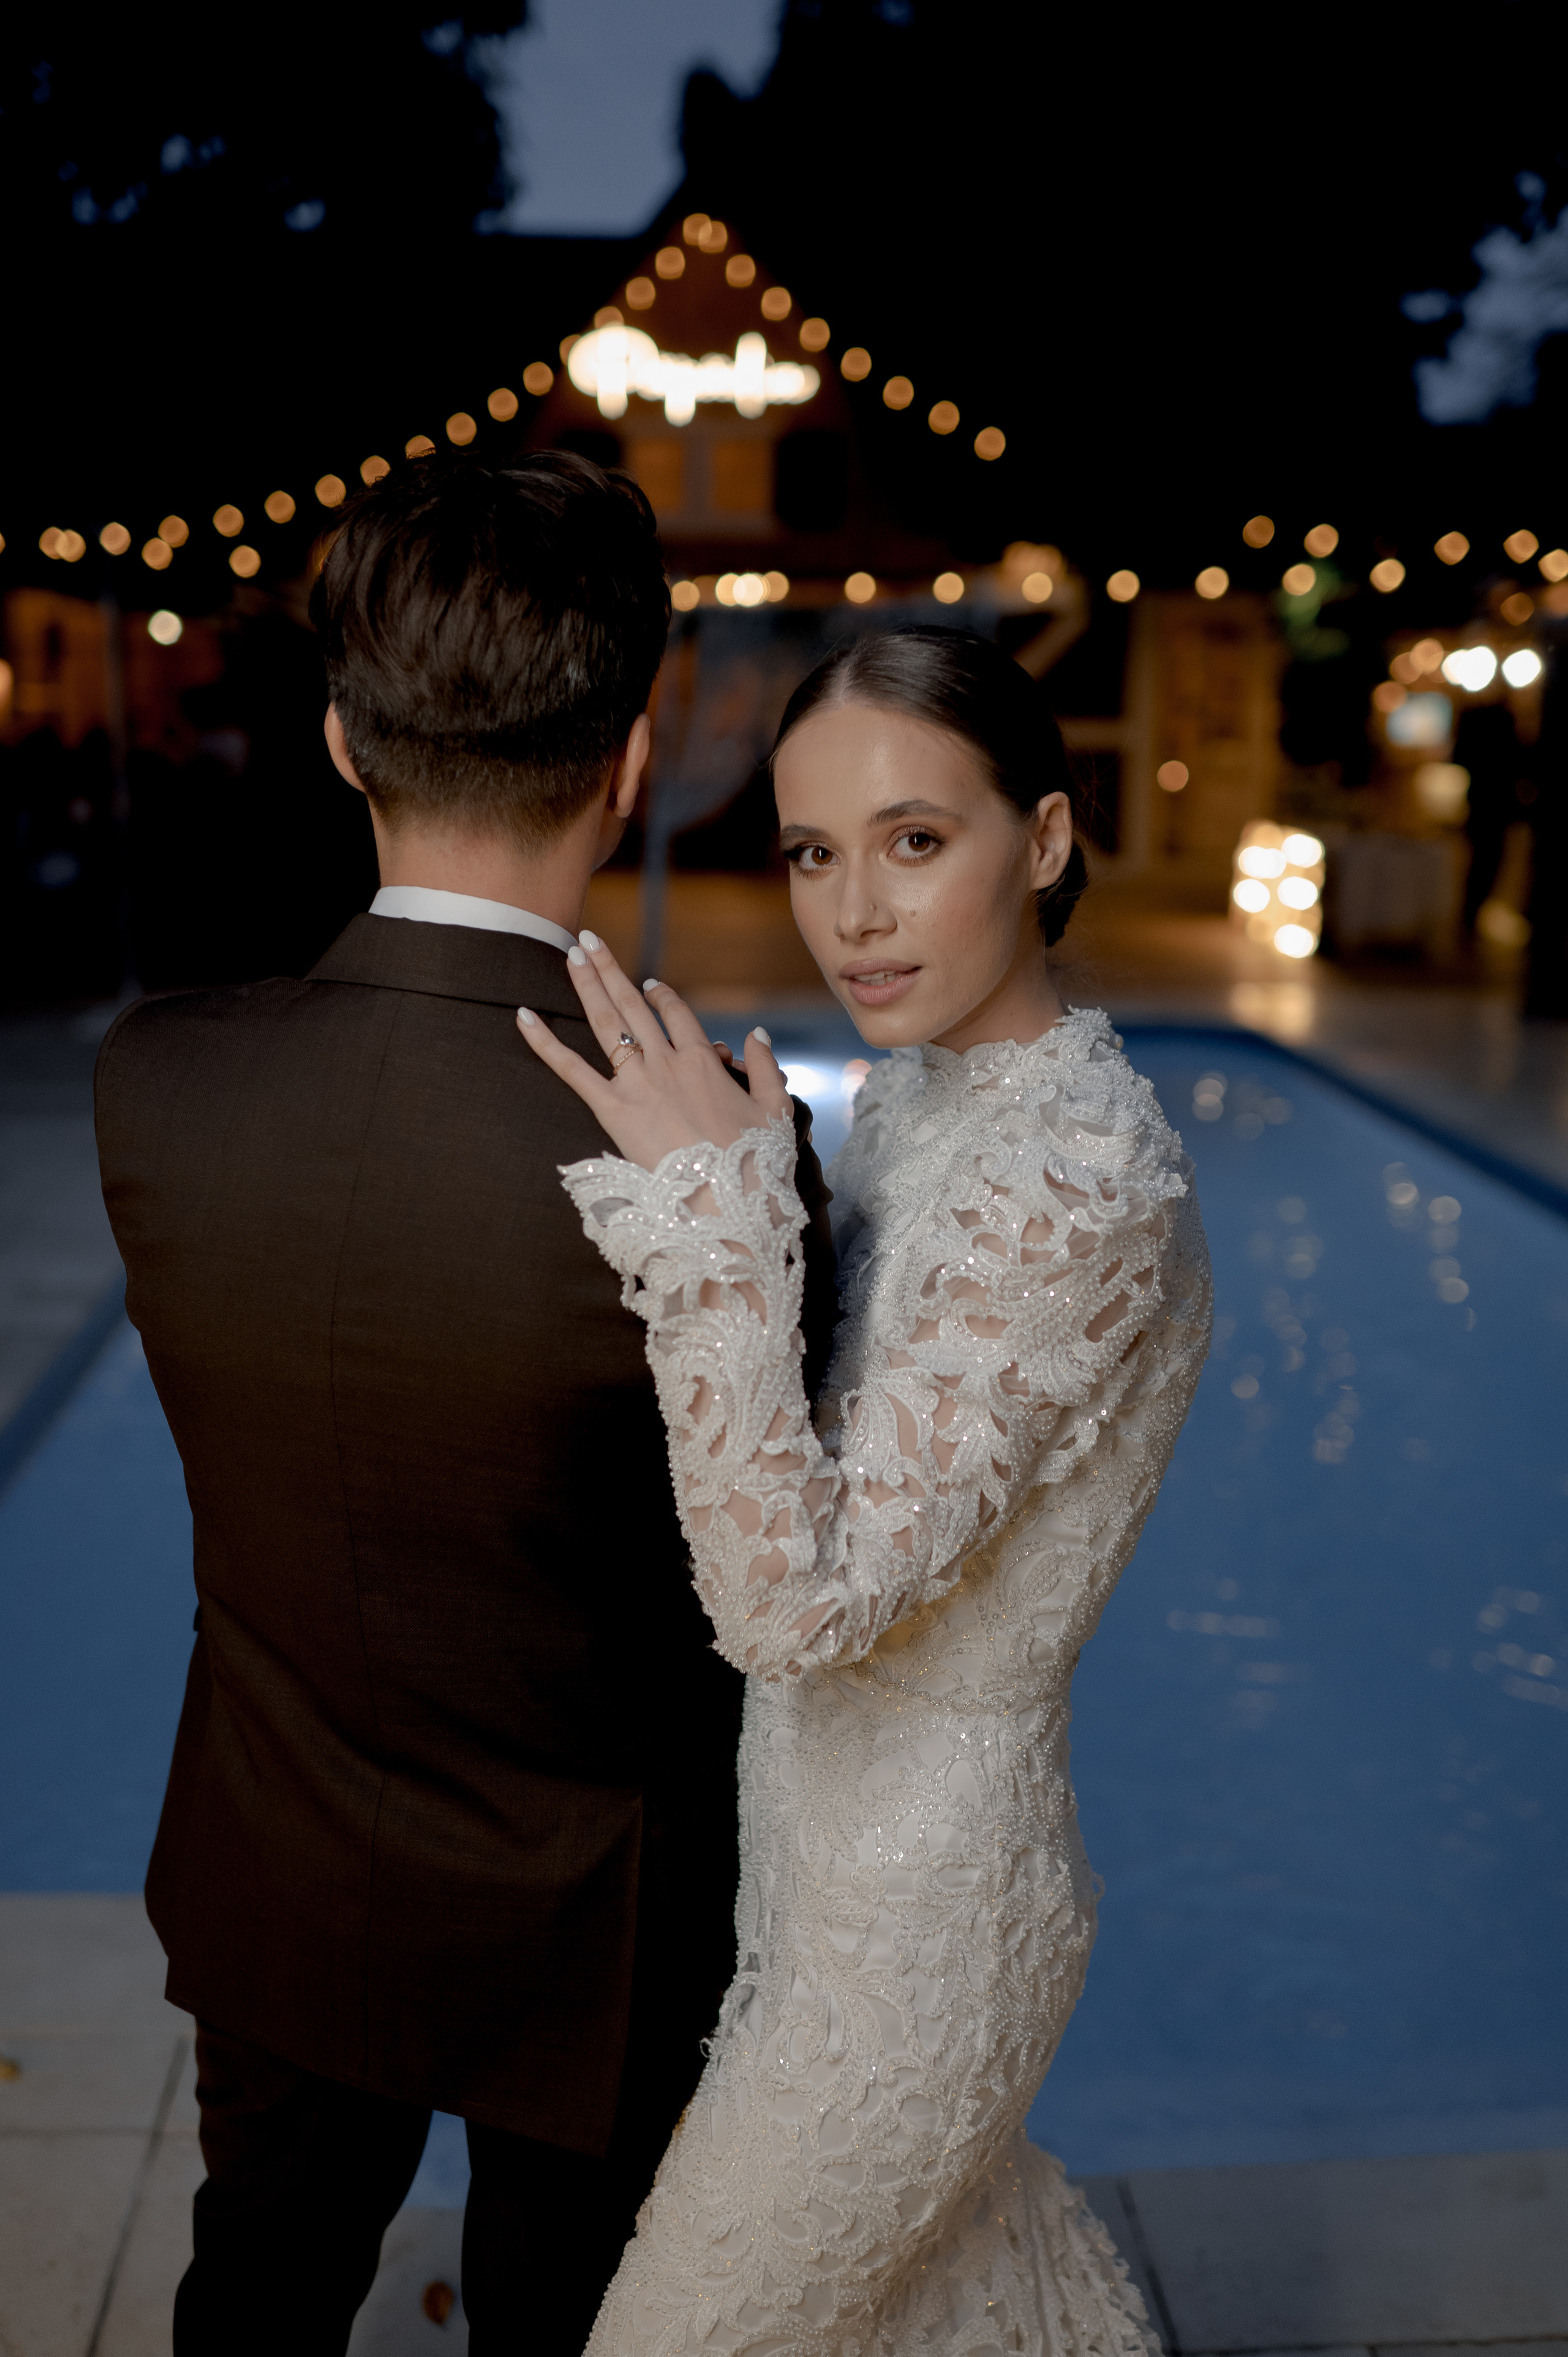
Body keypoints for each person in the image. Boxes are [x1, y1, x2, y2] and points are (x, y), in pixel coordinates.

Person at [93, 451, 838, 2355]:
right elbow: (781, 1576)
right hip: (596, 1924)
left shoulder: (157, 1086)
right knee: (569, 2325)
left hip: (274, 1861)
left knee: (250, 2296)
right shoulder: (724, 1168)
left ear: (346, 743)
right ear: (628, 759)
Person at [522, 626, 1212, 2355]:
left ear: (1044, 840)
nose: (855, 914)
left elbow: (793, 1604)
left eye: (917, 842)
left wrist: (714, 1238)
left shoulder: (1077, 1176)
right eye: (816, 854)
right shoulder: (925, 1105)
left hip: (916, 1935)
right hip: (824, 1871)